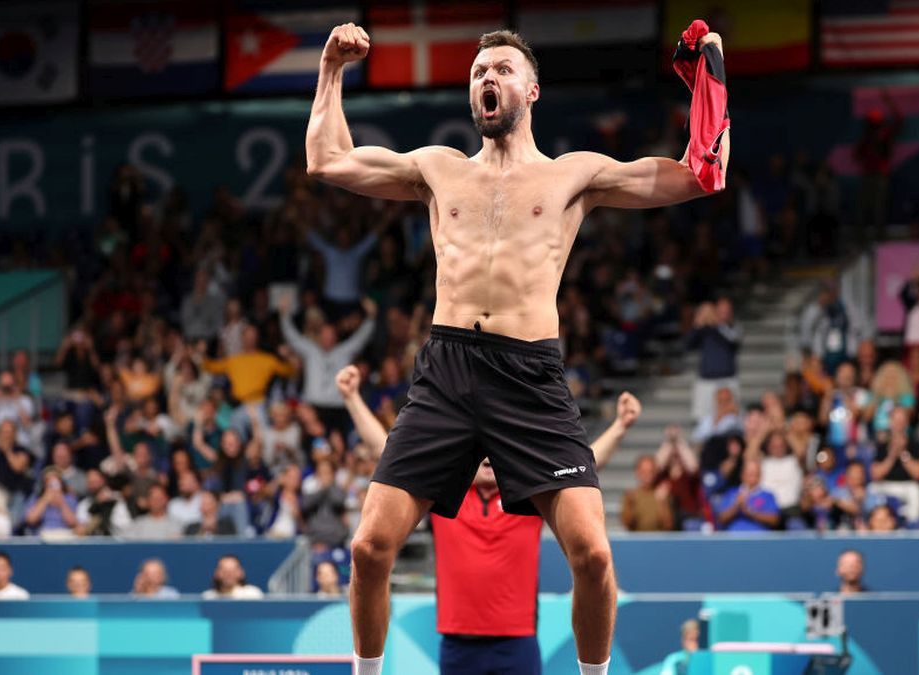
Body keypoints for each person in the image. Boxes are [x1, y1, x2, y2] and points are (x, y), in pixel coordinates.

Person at [309, 21, 728, 675]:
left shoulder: (573, 175)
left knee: (592, 555)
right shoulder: (437, 169)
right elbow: (327, 161)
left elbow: (700, 174)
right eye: (478, 72)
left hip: (529, 374)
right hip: (447, 369)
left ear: (532, 89)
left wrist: (710, 79)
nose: (487, 78)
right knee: (368, 547)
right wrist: (330, 69)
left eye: (501, 69)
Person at [336, 365, 641, 673]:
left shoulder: (528, 498)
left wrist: (619, 427)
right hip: (457, 643)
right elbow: (386, 452)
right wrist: (351, 398)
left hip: (518, 642)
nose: (485, 456)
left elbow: (583, 469)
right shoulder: (444, 497)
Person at [279, 295, 377, 438]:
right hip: (313, 407)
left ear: (335, 337)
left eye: (331, 335)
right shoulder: (310, 350)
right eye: (324, 335)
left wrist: (371, 317)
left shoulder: (345, 351)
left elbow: (361, 338)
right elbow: (292, 337)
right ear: (319, 337)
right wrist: (284, 316)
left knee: (338, 446)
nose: (328, 338)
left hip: (337, 410)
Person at [854, 88, 901, 238]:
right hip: (867, 175)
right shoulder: (865, 138)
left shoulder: (885, 134)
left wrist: (888, 102)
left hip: (880, 174)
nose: (873, 126)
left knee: (879, 208)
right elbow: (856, 156)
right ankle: (861, 238)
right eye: (871, 123)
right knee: (862, 208)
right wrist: (866, 156)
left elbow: (899, 119)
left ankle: (880, 239)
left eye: (876, 123)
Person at [688, 298, 742, 422]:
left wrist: (716, 324)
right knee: (702, 417)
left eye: (727, 311)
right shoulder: (705, 330)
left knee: (731, 416)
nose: (725, 314)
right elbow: (689, 344)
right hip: (706, 381)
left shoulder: (734, 327)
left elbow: (732, 341)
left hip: (727, 380)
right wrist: (698, 324)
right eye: (721, 311)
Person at [870, 407, 919, 523]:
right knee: (871, 489)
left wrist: (903, 453)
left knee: (916, 490)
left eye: (902, 420)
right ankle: (875, 523)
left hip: (907, 485)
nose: (898, 423)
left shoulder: (915, 444)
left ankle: (913, 525)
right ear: (890, 422)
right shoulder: (881, 445)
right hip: (885, 485)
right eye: (895, 419)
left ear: (907, 422)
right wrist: (891, 455)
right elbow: (875, 475)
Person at [716, 460, 780, 532]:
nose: (752, 477)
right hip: (735, 538)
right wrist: (736, 506)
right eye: (749, 474)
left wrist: (750, 512)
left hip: (759, 538)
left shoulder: (768, 495)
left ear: (760, 476)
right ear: (742, 475)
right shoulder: (731, 493)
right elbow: (721, 519)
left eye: (755, 474)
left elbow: (774, 520)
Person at [622, 455, 674, 532]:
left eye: (650, 471)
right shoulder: (631, 495)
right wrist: (631, 504)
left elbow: (668, 525)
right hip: (637, 541)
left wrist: (663, 503)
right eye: (643, 472)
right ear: (637, 472)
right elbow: (627, 524)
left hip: (659, 541)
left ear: (655, 472)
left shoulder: (663, 494)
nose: (647, 475)